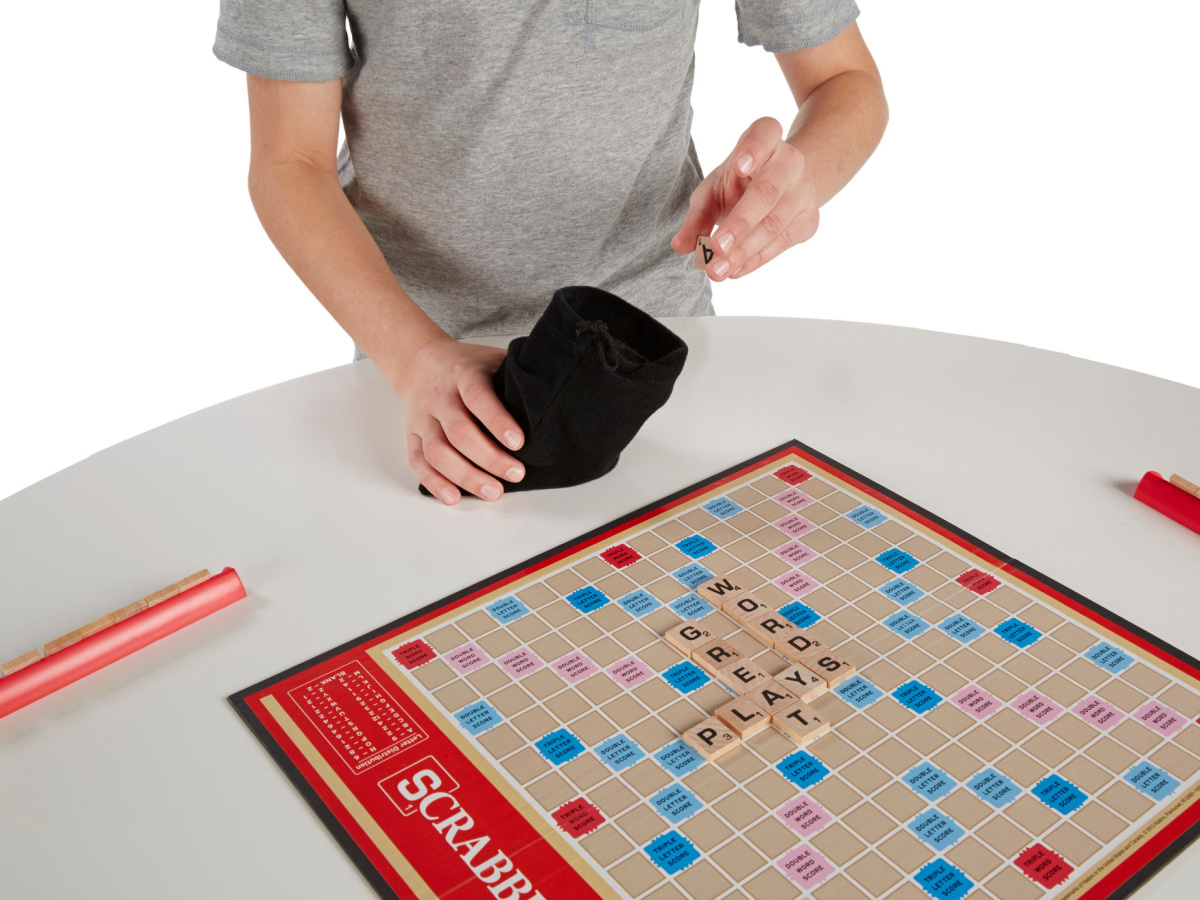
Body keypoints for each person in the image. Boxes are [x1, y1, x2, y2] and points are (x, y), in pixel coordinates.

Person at [213, 1, 887, 506]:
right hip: (417, 373)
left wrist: (798, 177)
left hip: (654, 346)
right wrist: (416, 359)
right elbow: (286, 163)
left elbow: (845, 80)